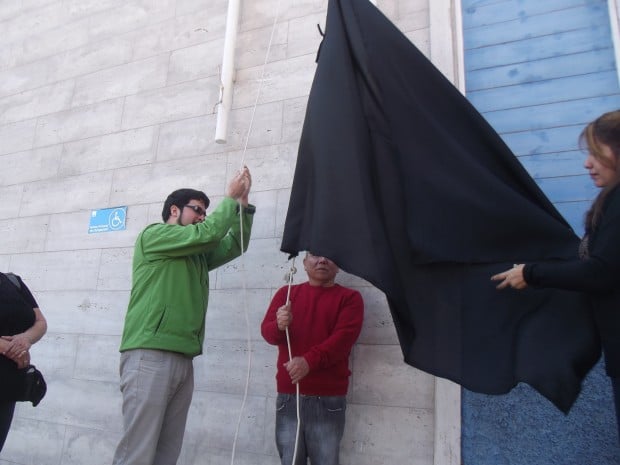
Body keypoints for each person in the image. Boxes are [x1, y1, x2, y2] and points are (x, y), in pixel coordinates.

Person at [112, 167, 255, 465]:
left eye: (205, 211)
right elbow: (211, 232)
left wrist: (241, 205)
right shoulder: (154, 235)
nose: (202, 216)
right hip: (149, 354)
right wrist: (228, 197)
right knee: (137, 452)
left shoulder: (196, 253)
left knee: (167, 452)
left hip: (183, 357)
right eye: (197, 210)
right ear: (174, 210)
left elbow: (234, 244)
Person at [491, 110, 620, 436]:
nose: (587, 164)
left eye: (595, 152)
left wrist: (532, 274)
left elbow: (603, 271)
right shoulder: (610, 202)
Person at [261, 252, 364, 465]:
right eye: (315, 255)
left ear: (339, 266)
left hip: (328, 399)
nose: (322, 260)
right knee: (290, 461)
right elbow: (267, 333)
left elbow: (343, 340)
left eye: (330, 255)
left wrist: (308, 362)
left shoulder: (350, 299)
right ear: (304, 262)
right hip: (289, 397)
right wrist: (279, 325)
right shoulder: (287, 294)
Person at [0, 272, 47, 452]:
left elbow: (40, 322)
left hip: (6, 388)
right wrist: (5, 347)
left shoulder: (12, 281)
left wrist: (25, 339)